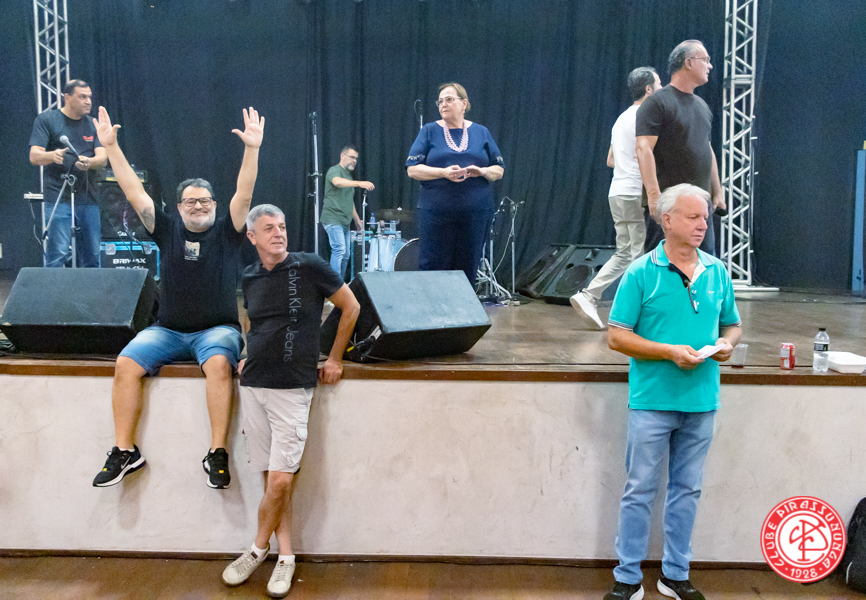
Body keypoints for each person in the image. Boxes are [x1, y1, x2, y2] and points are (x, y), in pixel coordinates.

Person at [90, 105, 265, 490]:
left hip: (217, 330)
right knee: (125, 363)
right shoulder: (166, 229)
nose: (198, 206)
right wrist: (111, 147)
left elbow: (245, 193)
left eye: (205, 201)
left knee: (218, 364)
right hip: (167, 331)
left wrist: (252, 149)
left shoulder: (229, 232)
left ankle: (217, 452)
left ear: (215, 205)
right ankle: (125, 451)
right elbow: (133, 192)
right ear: (179, 207)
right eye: (191, 201)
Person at [602, 183, 742, 600]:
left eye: (705, 218)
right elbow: (617, 336)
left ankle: (676, 574)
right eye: (693, 217)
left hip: (702, 401)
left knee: (687, 491)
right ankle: (627, 578)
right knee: (639, 490)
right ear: (667, 220)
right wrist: (668, 352)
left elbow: (733, 324)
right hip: (652, 400)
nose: (703, 225)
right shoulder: (641, 272)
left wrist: (727, 343)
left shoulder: (717, 271)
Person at [220, 204, 360, 597]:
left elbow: (351, 307)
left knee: (281, 480)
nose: (278, 233)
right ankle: (286, 555)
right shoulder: (250, 276)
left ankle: (256, 549)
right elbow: (253, 321)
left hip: (293, 387)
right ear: (252, 237)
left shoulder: (310, 266)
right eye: (268, 228)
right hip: (254, 385)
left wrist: (335, 358)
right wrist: (247, 352)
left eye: (281, 226)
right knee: (271, 478)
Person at [571, 67, 662, 330]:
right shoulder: (646, 117)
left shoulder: (621, 118)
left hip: (617, 190)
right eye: (659, 84)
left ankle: (599, 298)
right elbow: (645, 153)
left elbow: (611, 160)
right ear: (648, 89)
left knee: (628, 253)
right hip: (634, 191)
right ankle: (599, 298)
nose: (662, 88)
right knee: (636, 254)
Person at [406, 82, 504, 287]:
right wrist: (443, 173)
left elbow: (499, 170)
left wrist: (482, 171)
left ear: (464, 103)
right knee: (433, 265)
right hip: (436, 213)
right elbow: (412, 169)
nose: (443, 104)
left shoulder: (481, 132)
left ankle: (463, 308)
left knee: (468, 266)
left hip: (475, 213)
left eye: (449, 99)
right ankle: (432, 307)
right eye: (440, 101)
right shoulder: (429, 131)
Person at [636, 40, 726, 257]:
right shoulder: (657, 103)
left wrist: (718, 190)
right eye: (705, 60)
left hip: (700, 205)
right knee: (663, 265)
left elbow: (707, 149)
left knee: (704, 263)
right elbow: (643, 148)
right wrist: (654, 197)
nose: (710, 65)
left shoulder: (702, 106)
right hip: (669, 205)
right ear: (688, 62)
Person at [29, 79, 108, 268]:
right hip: (59, 196)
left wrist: (89, 162)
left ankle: (89, 289)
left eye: (89, 97)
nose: (88, 101)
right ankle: (54, 289)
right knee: (58, 254)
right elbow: (34, 156)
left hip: (88, 197)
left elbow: (103, 158)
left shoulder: (92, 124)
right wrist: (52, 155)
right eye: (82, 97)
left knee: (92, 255)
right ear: (67, 97)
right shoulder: (47, 120)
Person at [321, 145, 372, 280]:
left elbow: (349, 202)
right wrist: (359, 183)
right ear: (342, 156)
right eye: (352, 157)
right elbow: (337, 182)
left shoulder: (348, 177)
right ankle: (335, 286)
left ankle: (341, 284)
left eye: (356, 158)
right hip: (332, 218)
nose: (354, 161)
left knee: (345, 255)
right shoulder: (334, 170)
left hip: (345, 221)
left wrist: (357, 220)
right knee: (339, 249)